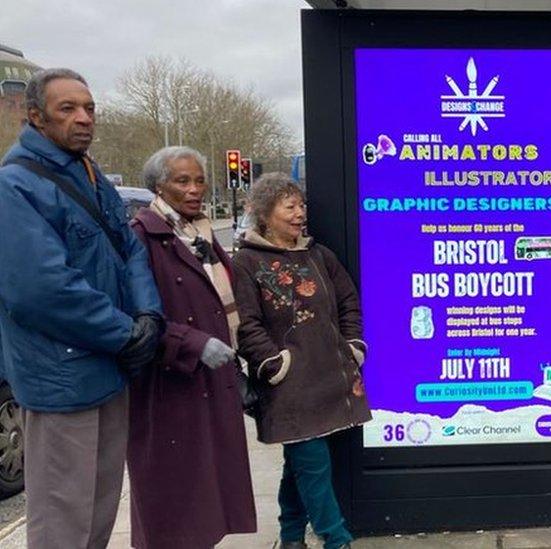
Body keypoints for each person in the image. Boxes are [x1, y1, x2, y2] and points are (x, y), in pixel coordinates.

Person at [0, 68, 163, 547]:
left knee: (99, 510)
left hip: (109, 368)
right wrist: (125, 333)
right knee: (62, 521)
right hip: (60, 378)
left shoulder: (90, 174)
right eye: (67, 109)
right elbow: (42, 289)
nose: (83, 118)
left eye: (89, 108)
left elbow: (130, 251)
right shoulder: (15, 187)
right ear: (36, 118)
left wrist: (148, 317)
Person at [127, 146, 257, 548]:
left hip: (211, 383)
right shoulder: (142, 235)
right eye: (182, 181)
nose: (194, 188)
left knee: (207, 499)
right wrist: (193, 343)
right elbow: (133, 316)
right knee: (175, 503)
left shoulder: (199, 233)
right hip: (170, 387)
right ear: (158, 186)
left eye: (199, 179)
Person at [233, 173, 370, 549]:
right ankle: (336, 538)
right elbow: (246, 322)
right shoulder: (246, 262)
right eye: (289, 206)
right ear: (265, 214)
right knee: (312, 461)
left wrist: (354, 344)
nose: (300, 214)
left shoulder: (319, 255)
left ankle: (291, 536)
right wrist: (272, 363)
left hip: (330, 374)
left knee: (300, 463)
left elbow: (348, 302)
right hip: (287, 382)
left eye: (301, 205)